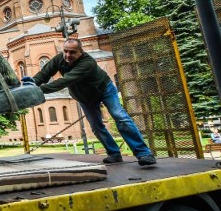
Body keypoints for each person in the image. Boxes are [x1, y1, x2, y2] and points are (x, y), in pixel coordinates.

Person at [26, 38, 156, 166]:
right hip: (85, 97)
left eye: (72, 52)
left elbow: (65, 81)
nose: (67, 55)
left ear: (80, 52)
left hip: (104, 90)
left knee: (120, 116)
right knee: (96, 126)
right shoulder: (59, 59)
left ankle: (143, 153)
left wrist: (39, 90)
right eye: (65, 51)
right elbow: (44, 74)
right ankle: (114, 154)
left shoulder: (87, 63)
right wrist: (29, 85)